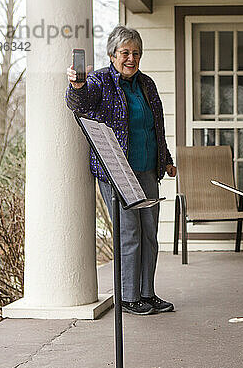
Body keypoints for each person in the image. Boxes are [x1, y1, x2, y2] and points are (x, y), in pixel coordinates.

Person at [65, 26, 176, 316]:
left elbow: (155, 126)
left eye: (136, 53)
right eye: (125, 52)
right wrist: (77, 86)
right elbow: (81, 104)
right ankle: (128, 297)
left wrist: (165, 159)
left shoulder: (146, 84)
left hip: (147, 169)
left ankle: (147, 293)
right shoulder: (100, 80)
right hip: (116, 172)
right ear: (112, 54)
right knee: (130, 233)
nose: (131, 58)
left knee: (150, 234)